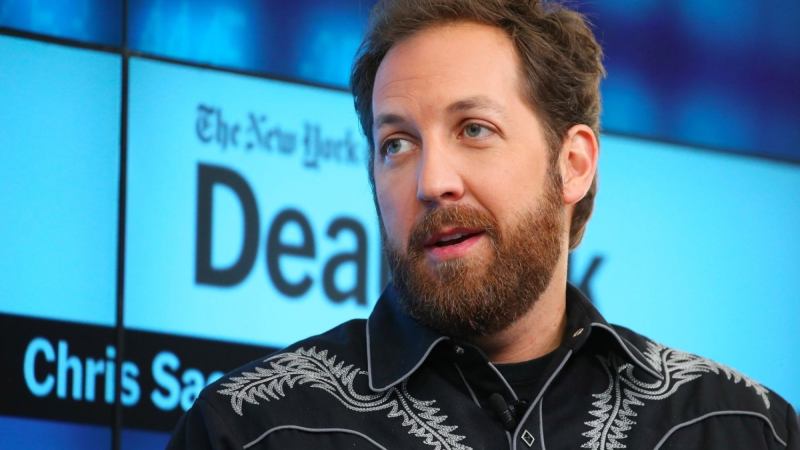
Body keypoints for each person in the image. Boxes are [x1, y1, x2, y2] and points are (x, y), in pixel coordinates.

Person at [167, 0, 799, 448]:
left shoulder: (740, 426)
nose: (431, 181)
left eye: (474, 129)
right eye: (396, 144)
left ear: (573, 165)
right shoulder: (250, 427)